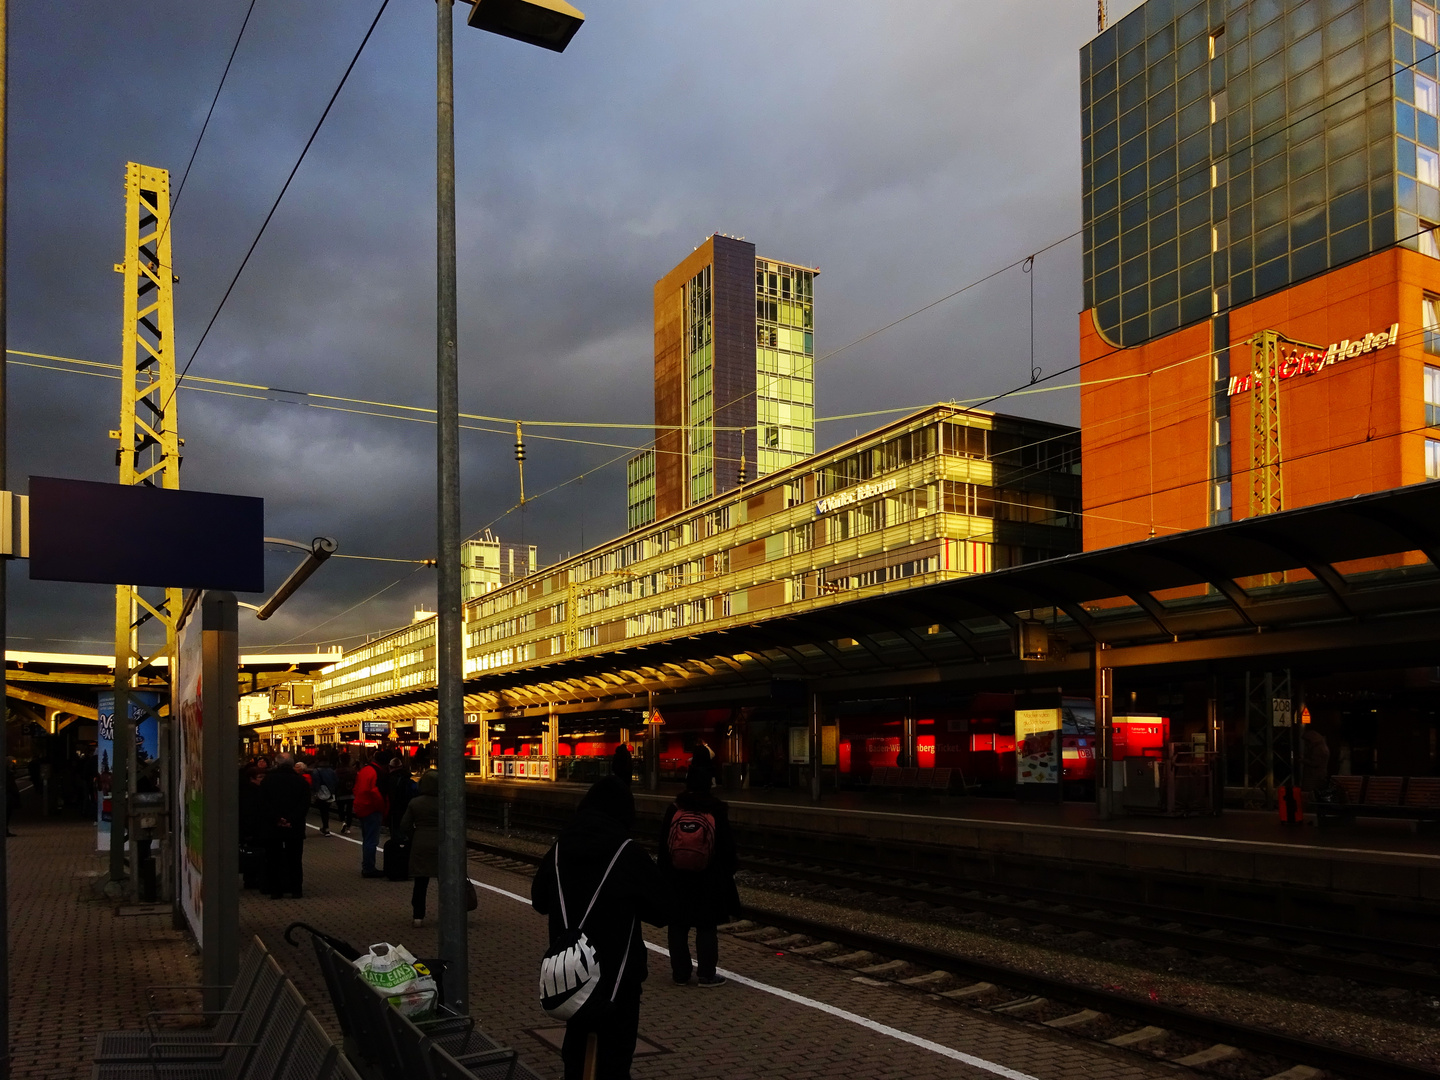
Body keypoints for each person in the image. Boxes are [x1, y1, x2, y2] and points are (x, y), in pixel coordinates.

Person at [533, 774, 668, 1080]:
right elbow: (663, 911)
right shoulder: (628, 853)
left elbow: (539, 900)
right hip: (619, 976)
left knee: (576, 1047)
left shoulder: (559, 849)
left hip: (572, 972)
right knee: (615, 1056)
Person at [658, 745, 738, 988]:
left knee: (678, 925)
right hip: (708, 878)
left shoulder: (674, 808)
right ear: (709, 783)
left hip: (677, 877)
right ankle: (706, 974)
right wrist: (727, 873)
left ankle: (680, 974)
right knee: (706, 926)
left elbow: (663, 845)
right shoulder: (716, 809)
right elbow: (726, 848)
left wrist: (665, 873)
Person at [259, 753, 312, 899]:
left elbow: (263, 803)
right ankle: (296, 890)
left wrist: (277, 818)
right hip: (294, 826)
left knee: (273, 859)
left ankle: (275, 890)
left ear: (276, 763)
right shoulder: (301, 781)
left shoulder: (268, 780)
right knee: (295, 859)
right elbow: (305, 804)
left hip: (272, 826)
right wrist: (291, 819)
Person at [399, 769, 440, 926]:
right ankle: (448, 914)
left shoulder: (415, 803)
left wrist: (414, 835)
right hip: (442, 844)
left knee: (421, 883)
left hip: (421, 844)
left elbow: (404, 825)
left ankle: (418, 916)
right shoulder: (446, 802)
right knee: (446, 882)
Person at [353, 747, 388, 878]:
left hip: (361, 806)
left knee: (366, 838)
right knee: (371, 840)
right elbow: (376, 794)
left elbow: (356, 788)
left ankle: (367, 865)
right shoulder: (378, 773)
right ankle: (368, 868)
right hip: (372, 809)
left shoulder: (365, 770)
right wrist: (382, 809)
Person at [386, 758, 416, 834]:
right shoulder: (408, 779)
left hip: (394, 811)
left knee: (395, 832)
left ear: (390, 767)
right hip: (407, 809)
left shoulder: (389, 780)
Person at [312, 757, 339, 836]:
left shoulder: (316, 771)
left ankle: (326, 827)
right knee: (326, 811)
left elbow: (315, 783)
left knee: (323, 811)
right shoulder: (332, 771)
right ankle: (326, 827)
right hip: (330, 793)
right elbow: (336, 781)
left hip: (321, 793)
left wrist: (315, 793)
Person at [335, 753, 356, 835]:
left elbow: (335, 782)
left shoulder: (337, 771)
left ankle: (343, 821)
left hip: (340, 793)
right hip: (351, 792)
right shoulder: (353, 770)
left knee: (340, 809)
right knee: (349, 810)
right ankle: (348, 827)